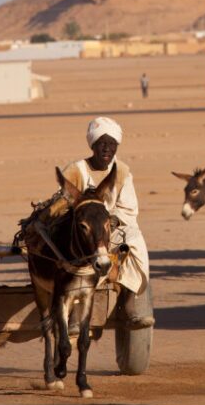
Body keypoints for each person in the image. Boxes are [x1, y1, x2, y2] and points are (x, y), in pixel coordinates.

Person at [58, 117, 154, 328]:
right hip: (81, 230)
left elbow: (129, 209)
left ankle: (129, 307)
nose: (107, 149)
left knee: (134, 241)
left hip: (113, 228)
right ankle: (73, 310)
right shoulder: (75, 170)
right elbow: (61, 203)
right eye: (102, 144)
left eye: (112, 145)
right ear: (93, 145)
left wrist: (110, 219)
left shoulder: (122, 172)